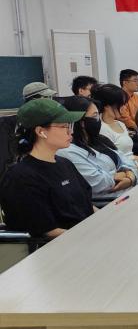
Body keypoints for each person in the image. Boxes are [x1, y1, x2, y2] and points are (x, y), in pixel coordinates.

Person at [0, 99, 93, 238]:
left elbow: (88, 206)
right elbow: (47, 230)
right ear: (41, 131)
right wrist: (90, 236)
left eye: (70, 126)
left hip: (86, 235)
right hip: (63, 245)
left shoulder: (65, 163)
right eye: (64, 126)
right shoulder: (21, 177)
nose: (70, 132)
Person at [58, 96, 138, 198]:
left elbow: (126, 160)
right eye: (94, 116)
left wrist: (130, 176)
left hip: (129, 189)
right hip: (110, 200)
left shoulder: (99, 139)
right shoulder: (68, 150)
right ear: (81, 122)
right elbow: (98, 182)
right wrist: (121, 173)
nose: (98, 120)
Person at [91, 83, 138, 176]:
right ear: (107, 106)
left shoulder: (120, 124)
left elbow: (129, 156)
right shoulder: (102, 129)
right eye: (121, 104)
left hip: (135, 170)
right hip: (127, 175)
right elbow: (113, 164)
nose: (124, 107)